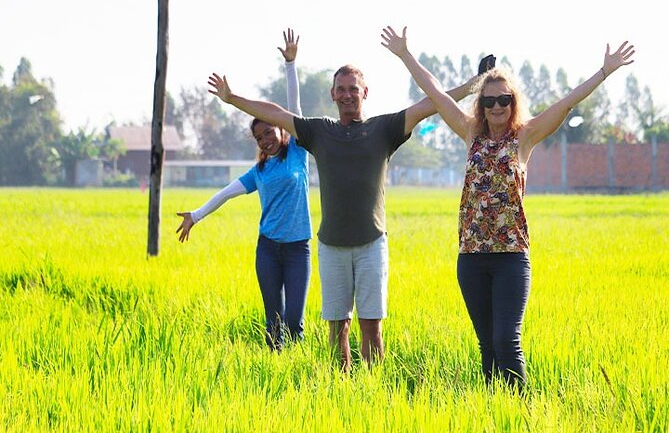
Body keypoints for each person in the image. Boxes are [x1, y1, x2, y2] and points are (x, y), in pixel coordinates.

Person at [381, 25, 635, 388]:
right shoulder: (470, 133)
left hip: (511, 256)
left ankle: (520, 411)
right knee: (486, 346)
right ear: (480, 105)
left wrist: (604, 71)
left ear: (513, 102)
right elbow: (435, 93)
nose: (497, 106)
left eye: (504, 100)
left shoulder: (525, 136)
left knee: (507, 341)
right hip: (471, 256)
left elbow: (565, 104)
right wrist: (406, 54)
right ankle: (493, 410)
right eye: (489, 100)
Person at [207, 49, 489, 371]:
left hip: (371, 244)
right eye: (341, 89)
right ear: (332, 94)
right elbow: (275, 113)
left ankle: (374, 390)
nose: (347, 95)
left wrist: (472, 86)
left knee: (371, 327)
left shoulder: (384, 129)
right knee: (336, 327)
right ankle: (341, 390)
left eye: (353, 89)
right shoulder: (320, 131)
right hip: (332, 246)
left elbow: (431, 104)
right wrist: (232, 98)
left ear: (364, 92)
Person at [176, 28, 311, 351]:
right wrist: (196, 215)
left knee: (295, 320)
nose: (265, 139)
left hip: (297, 250)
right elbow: (224, 193)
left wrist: (290, 65)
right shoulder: (259, 172)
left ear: (281, 130)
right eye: (259, 137)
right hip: (268, 249)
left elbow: (295, 111)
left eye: (269, 132)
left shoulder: (298, 153)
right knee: (273, 319)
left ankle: (297, 367)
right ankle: (274, 363)